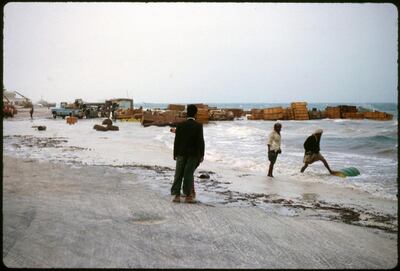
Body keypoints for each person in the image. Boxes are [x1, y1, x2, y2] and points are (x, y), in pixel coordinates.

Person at [171, 104, 205, 203]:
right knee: (188, 174)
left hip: (181, 153)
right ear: (195, 113)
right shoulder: (198, 126)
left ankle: (176, 196)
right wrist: (201, 154)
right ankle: (188, 196)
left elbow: (177, 141)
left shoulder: (180, 125)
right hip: (193, 154)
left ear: (187, 113)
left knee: (178, 174)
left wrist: (175, 153)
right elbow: (200, 141)